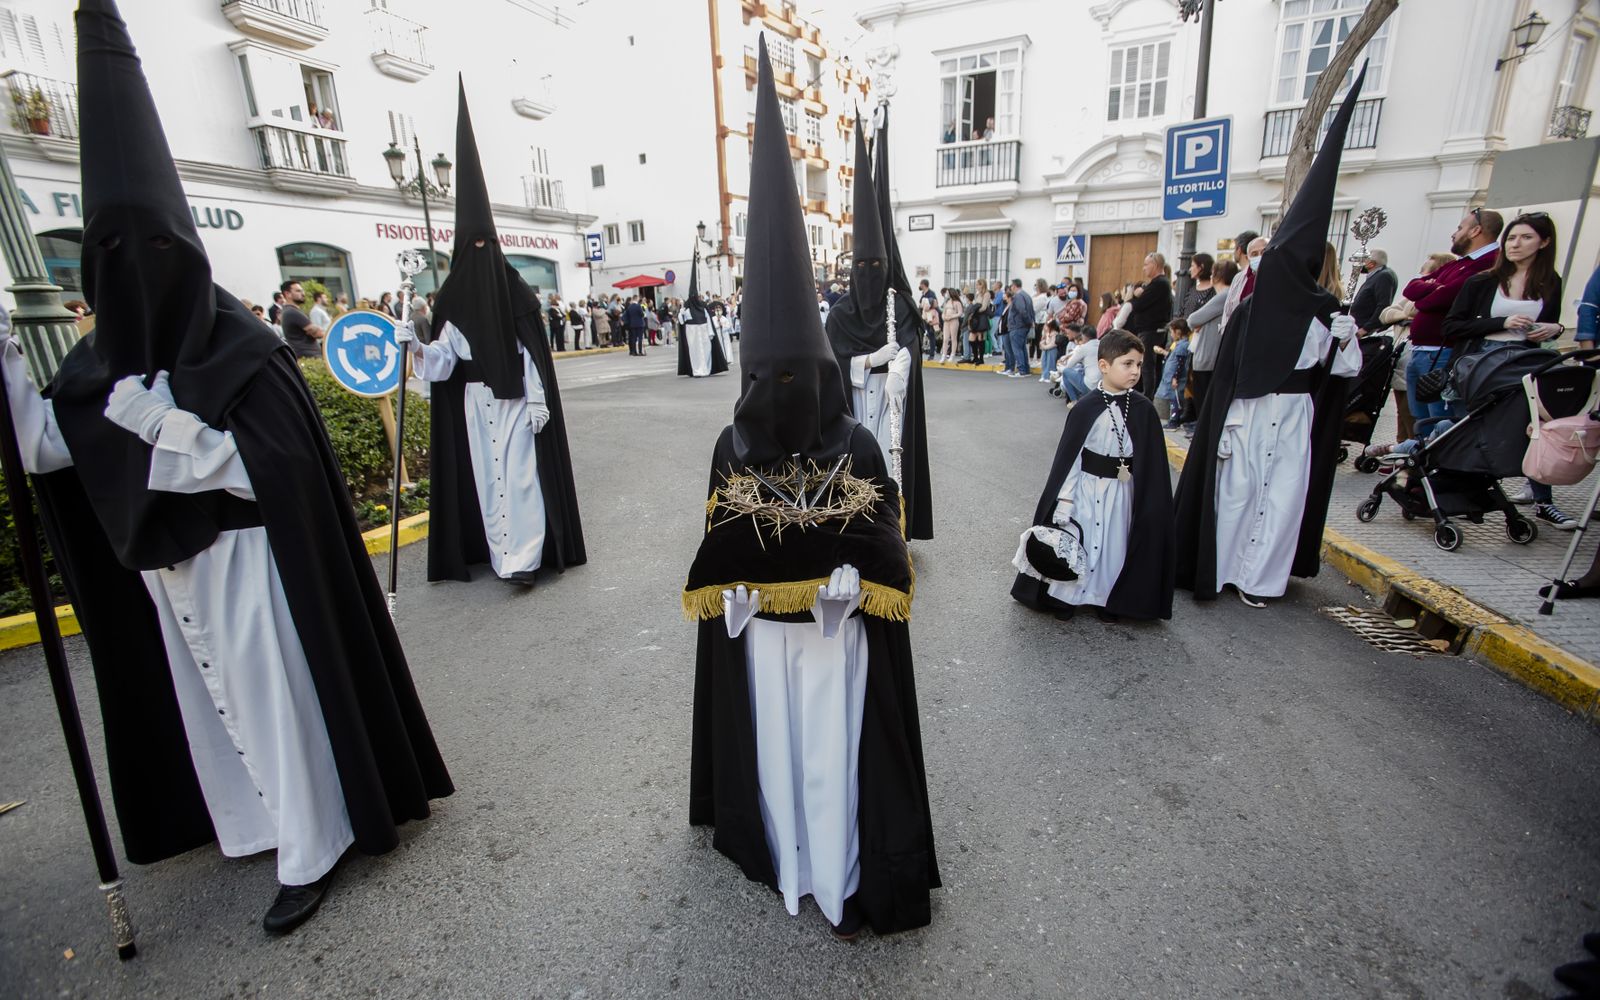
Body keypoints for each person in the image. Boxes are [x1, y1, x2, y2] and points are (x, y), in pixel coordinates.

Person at [1, 0, 452, 936]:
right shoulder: (96, 361)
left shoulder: (242, 346)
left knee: (269, 696)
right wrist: (9, 368)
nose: (137, 273)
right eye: (114, 256)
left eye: (154, 251)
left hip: (252, 560)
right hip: (173, 569)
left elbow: (270, 475)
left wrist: (173, 431)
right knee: (210, 705)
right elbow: (54, 450)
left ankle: (312, 843)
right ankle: (251, 824)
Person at [686, 39, 938, 940]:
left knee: (833, 757)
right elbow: (717, 555)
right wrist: (741, 600)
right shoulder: (732, 441)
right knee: (780, 755)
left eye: (801, 375)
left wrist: (854, 586)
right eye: (770, 376)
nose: (784, 395)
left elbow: (885, 552)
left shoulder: (860, 441)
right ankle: (785, 855)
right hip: (764, 646)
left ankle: (837, 875)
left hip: (838, 649)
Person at [1174, 69, 1369, 609]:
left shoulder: (1327, 310)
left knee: (1281, 499)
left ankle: (1262, 579)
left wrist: (1347, 339)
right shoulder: (1254, 311)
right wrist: (1230, 424)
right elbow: (1233, 376)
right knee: (1237, 497)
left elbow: (1344, 372)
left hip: (1297, 414)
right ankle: (1224, 570)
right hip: (1251, 414)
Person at [408, 78, 586, 585]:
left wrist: (536, 399)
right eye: (476, 245)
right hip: (472, 404)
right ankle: (499, 555)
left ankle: (525, 559)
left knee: (524, 479)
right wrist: (417, 348)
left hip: (512, 399)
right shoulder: (451, 300)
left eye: (491, 243)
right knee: (489, 480)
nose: (484, 254)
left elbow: (529, 355)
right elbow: (444, 358)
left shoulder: (516, 294)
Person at [1010, 329, 1174, 623]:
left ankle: (1108, 600)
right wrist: (1064, 501)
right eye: (1127, 363)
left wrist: (1144, 504)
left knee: (1114, 546)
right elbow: (1070, 461)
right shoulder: (1086, 407)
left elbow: (1150, 466)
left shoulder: (1144, 410)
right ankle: (1068, 597)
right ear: (1104, 366)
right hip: (1085, 491)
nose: (1135, 371)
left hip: (1121, 493)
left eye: (1138, 364)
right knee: (1081, 542)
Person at [825, 115, 935, 541]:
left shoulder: (900, 306)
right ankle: (851, 530)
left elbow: (910, 350)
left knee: (890, 467)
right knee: (853, 466)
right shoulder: (839, 314)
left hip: (892, 404)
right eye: (862, 267)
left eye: (877, 267)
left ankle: (890, 533)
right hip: (853, 403)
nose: (870, 273)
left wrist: (898, 372)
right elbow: (830, 364)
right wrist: (867, 360)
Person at [1442, 211, 1575, 529]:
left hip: (1525, 362)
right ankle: (1447, 493)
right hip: (1482, 361)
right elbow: (1452, 326)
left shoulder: (1549, 282)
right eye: (1512, 237)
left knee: (1535, 430)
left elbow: (1552, 323)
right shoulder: (1483, 281)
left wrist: (1553, 328)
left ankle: (1543, 502)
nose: (1516, 244)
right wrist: (1502, 322)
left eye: (1526, 237)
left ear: (1543, 242)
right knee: (1463, 428)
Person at [1401, 207, 1503, 423]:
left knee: (1438, 420)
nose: (1454, 233)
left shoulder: (1489, 262)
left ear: (1475, 231)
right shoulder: (1460, 263)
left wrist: (1431, 290)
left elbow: (1439, 300)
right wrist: (1434, 287)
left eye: (1460, 228)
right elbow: (1410, 289)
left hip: (1443, 353)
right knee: (1420, 419)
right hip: (1420, 351)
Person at [1182, 258, 1238, 428]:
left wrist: (1200, 323)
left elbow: (1193, 319)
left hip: (1208, 357)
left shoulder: (1225, 295)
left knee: (1205, 402)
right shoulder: (1230, 295)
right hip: (1213, 356)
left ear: (1216, 276)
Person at [1124, 252, 1172, 397]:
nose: (1143, 268)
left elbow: (1139, 305)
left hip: (1151, 331)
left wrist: (1135, 295)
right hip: (1149, 330)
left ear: (1155, 265)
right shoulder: (1157, 284)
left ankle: (1148, 396)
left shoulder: (1159, 284)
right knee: (1150, 365)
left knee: (1148, 366)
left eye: (1146, 265)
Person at [678, 253, 728, 378]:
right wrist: (682, 312)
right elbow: (682, 322)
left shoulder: (702, 308)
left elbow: (709, 320)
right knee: (695, 353)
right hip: (692, 334)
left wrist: (710, 333)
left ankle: (705, 369)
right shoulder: (686, 309)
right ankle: (696, 370)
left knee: (705, 352)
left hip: (704, 332)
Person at [1349, 248, 1397, 336]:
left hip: (1363, 330)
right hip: (1360, 327)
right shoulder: (1378, 275)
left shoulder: (1384, 276)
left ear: (1371, 264)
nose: (1359, 264)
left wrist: (1365, 329)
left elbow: (1383, 304)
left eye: (1363, 260)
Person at [1154, 317, 1191, 427]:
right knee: (1173, 400)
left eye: (1171, 332)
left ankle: (1174, 420)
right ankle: (1173, 419)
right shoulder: (1180, 345)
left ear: (1178, 332)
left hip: (1175, 380)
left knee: (1175, 401)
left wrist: (1175, 377)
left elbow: (1180, 364)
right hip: (1172, 379)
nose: (1171, 334)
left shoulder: (1182, 346)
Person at [278, 280, 321, 360]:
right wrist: (318, 330)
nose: (303, 293)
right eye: (298, 291)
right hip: (309, 358)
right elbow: (318, 333)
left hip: (308, 357)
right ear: (287, 294)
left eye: (302, 290)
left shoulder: (290, 311)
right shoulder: (292, 312)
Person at [1060, 322, 1101, 402]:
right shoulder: (1103, 344)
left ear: (1084, 336)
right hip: (1103, 385)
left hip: (1090, 385)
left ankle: (1074, 401)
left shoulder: (1084, 348)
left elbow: (1069, 365)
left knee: (1066, 372)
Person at [1002, 278, 1034, 378]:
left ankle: (1022, 370)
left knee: (1017, 348)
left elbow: (1022, 310)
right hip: (1023, 326)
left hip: (1018, 326)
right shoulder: (1026, 295)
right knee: (1022, 348)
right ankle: (1025, 369)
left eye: (1011, 286)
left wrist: (1027, 321)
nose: (1010, 288)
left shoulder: (1018, 296)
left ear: (1014, 286)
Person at [1177, 253, 1214, 318]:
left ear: (1200, 267)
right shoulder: (1192, 289)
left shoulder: (1212, 291)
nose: (1190, 269)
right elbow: (1183, 311)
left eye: (1192, 266)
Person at [938, 287, 962, 363]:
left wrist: (951, 316)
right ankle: (944, 355)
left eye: (948, 293)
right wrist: (944, 317)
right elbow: (943, 312)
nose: (946, 294)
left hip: (954, 321)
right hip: (946, 322)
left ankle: (952, 355)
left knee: (953, 338)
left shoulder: (957, 302)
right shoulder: (947, 302)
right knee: (945, 339)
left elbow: (960, 313)